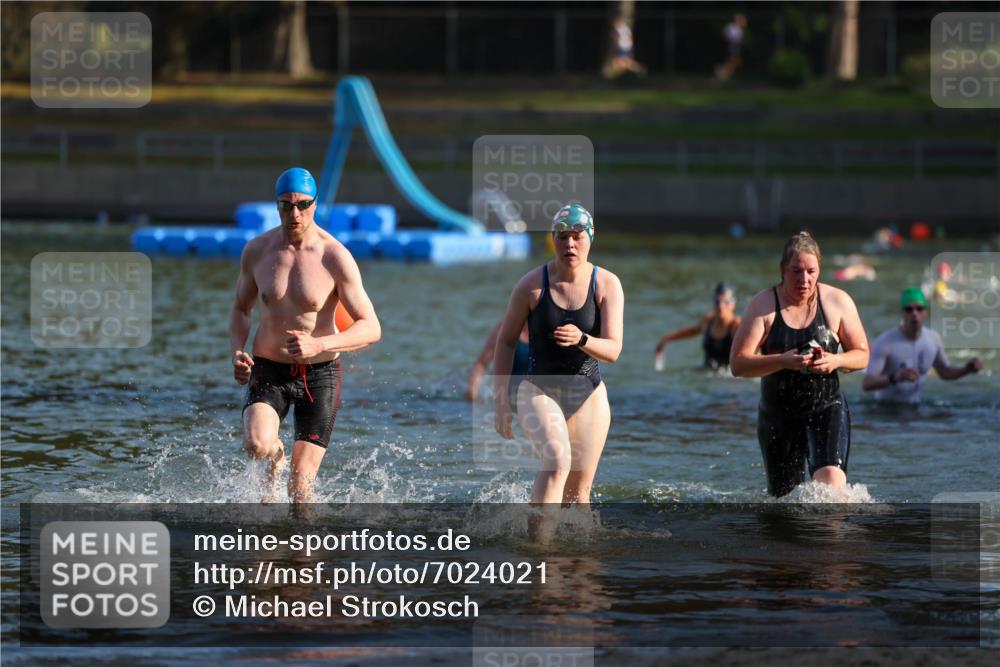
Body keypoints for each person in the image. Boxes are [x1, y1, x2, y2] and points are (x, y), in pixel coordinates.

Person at [229, 167, 381, 505]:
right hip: (269, 368)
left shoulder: (334, 256)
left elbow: (371, 327)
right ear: (277, 205)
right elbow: (240, 309)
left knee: (299, 490)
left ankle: (302, 540)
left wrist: (319, 343)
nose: (294, 214)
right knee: (256, 446)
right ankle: (276, 454)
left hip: (319, 375)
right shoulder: (257, 251)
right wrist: (237, 351)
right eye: (285, 205)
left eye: (302, 205)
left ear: (315, 204)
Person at [493, 203, 624, 517]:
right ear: (553, 240)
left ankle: (576, 549)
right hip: (539, 390)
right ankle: (537, 543)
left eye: (577, 236)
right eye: (562, 237)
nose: (570, 244)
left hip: (589, 392)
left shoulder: (607, 284)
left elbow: (613, 350)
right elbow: (505, 342)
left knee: (578, 498)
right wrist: (500, 402)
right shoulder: (531, 286)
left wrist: (582, 339)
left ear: (590, 237)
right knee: (556, 462)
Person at [730, 232, 870, 497]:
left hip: (826, 408)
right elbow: (738, 364)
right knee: (785, 504)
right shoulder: (763, 305)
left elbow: (862, 354)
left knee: (831, 489)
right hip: (778, 415)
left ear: (819, 270)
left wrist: (836, 360)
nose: (804, 279)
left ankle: (831, 526)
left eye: (811, 271)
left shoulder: (837, 301)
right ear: (782, 270)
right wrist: (782, 360)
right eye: (796, 271)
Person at [862, 287, 982, 403]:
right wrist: (895, 377)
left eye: (919, 308)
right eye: (909, 309)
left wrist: (967, 369)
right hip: (886, 408)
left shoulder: (933, 339)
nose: (914, 313)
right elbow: (867, 383)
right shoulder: (886, 342)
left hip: (916, 405)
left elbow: (945, 371)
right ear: (902, 313)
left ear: (925, 312)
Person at [655, 283, 741, 371]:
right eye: (717, 301)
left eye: (726, 302)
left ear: (733, 304)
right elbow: (693, 331)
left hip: (729, 375)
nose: (721, 306)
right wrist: (666, 339)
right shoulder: (709, 321)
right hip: (708, 372)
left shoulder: (737, 326)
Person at [466, 321, 529, 403]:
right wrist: (472, 392)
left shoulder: (544, 329)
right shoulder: (504, 330)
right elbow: (481, 364)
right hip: (509, 397)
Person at [715, 14, 747, 80]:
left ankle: (725, 72)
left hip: (736, 45)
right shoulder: (732, 26)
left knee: (737, 61)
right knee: (734, 60)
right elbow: (728, 36)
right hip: (733, 44)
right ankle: (722, 71)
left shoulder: (739, 28)